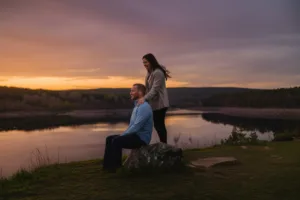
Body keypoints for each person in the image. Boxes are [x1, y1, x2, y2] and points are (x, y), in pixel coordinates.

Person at [103, 83, 153, 172]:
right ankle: (107, 167)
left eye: (133, 91)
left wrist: (123, 135)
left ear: (140, 93)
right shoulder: (137, 106)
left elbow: (136, 127)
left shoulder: (144, 107)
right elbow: (132, 126)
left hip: (141, 139)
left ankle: (117, 168)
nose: (130, 93)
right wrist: (124, 134)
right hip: (135, 135)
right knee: (109, 139)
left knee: (117, 141)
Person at [138, 53, 170, 143]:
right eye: (143, 63)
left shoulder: (158, 73)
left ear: (151, 61)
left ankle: (164, 146)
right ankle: (163, 145)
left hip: (160, 104)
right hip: (154, 104)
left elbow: (154, 90)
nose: (144, 64)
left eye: (146, 62)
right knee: (158, 125)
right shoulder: (150, 72)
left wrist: (144, 98)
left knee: (159, 125)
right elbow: (148, 88)